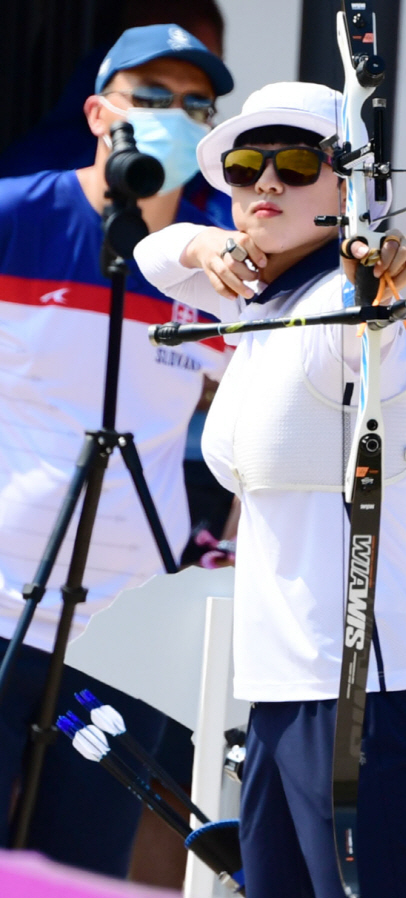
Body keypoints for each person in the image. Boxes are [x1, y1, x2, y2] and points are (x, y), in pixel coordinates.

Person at [135, 80, 406, 898]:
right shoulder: (262, 302)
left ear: (347, 186)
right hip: (280, 696)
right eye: (246, 167)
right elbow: (154, 254)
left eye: (297, 162)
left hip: (361, 698)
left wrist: (377, 279)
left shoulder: (349, 314)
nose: (267, 182)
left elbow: (380, 323)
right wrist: (212, 249)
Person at [0, 23, 234, 877]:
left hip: (126, 631)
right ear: (100, 113)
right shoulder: (15, 213)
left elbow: (276, 409)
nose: (176, 115)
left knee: (86, 871)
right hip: (0, 604)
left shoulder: (221, 263)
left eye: (197, 105)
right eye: (154, 98)